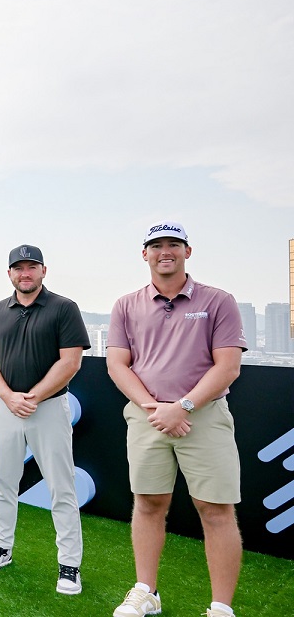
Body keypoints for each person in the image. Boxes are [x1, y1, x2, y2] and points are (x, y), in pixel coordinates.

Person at [107, 223, 247, 617]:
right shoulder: (125, 305)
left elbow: (228, 366)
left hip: (202, 417)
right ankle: (146, 591)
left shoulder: (218, 300)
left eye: (173, 244)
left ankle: (220, 608)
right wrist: (155, 409)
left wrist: (181, 407)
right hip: (148, 417)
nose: (164, 251)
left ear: (188, 251)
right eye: (156, 245)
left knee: (215, 508)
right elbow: (118, 365)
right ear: (144, 254)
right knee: (149, 502)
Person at [0, 245, 91, 595]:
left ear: (43, 270)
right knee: (4, 482)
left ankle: (69, 565)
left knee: (61, 487)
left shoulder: (63, 308)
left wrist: (35, 396)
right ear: (9, 273)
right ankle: (1, 549)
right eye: (18, 268)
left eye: (31, 267)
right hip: (6, 408)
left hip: (50, 409)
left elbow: (70, 362)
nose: (24, 273)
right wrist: (9, 397)